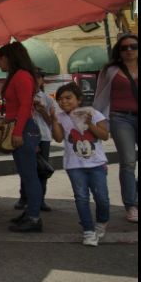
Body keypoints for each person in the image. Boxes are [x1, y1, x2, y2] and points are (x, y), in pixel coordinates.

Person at [0, 42, 43, 232]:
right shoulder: (16, 76)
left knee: (30, 176)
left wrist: (18, 132)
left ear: (9, 58)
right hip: (19, 127)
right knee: (25, 175)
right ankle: (30, 213)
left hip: (23, 129)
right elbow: (12, 106)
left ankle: (34, 218)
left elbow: (25, 106)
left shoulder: (22, 76)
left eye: (0, 59)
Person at [50, 82, 110, 246]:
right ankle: (88, 231)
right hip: (74, 165)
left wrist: (89, 124)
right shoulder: (61, 117)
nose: (64, 101)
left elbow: (104, 135)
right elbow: (58, 138)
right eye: (60, 99)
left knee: (102, 198)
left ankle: (102, 222)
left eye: (68, 98)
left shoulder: (93, 113)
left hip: (96, 164)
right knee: (81, 198)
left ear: (79, 99)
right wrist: (53, 120)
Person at [92, 33, 138, 223]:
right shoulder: (110, 70)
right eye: (124, 47)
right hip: (120, 118)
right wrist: (97, 119)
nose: (129, 50)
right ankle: (131, 205)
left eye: (133, 46)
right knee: (128, 162)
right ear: (118, 51)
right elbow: (100, 95)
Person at [14, 68, 54, 212]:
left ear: (42, 80)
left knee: (42, 169)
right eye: (32, 77)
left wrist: (42, 111)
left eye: (38, 77)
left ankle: (41, 199)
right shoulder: (22, 96)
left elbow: (51, 122)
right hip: (27, 135)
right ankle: (24, 198)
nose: (35, 80)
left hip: (43, 136)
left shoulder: (47, 99)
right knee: (26, 168)